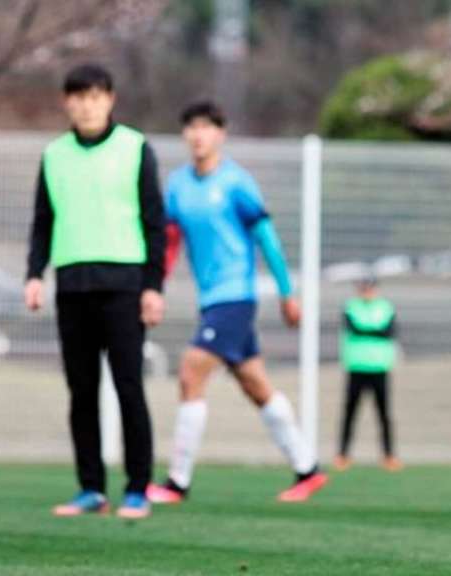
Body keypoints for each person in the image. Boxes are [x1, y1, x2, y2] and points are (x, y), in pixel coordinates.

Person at [146, 101, 326, 504]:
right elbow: (171, 244)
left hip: (236, 297)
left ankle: (177, 482)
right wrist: (155, 286)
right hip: (210, 301)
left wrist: (286, 292)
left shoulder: (237, 183)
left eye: (206, 127)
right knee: (256, 386)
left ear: (221, 134)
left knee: (191, 372)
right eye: (191, 127)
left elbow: (267, 239)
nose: (198, 135)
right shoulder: (178, 185)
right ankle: (308, 469)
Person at [25, 63, 164, 519]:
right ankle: (91, 489)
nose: (87, 104)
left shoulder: (136, 148)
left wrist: (153, 287)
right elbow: (43, 221)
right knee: (81, 391)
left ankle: (138, 488)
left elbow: (154, 223)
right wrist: (33, 274)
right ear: (67, 101)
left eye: (96, 95)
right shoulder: (54, 154)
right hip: (72, 287)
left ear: (111, 99)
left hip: (125, 286)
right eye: (78, 96)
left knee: (128, 387)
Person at [334, 274, 401, 472]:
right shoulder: (351, 307)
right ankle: (343, 455)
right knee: (350, 413)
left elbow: (387, 331)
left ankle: (389, 455)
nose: (366, 291)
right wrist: (374, 330)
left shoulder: (386, 308)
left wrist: (367, 331)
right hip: (356, 366)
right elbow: (354, 328)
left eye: (369, 287)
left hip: (380, 367)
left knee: (383, 414)